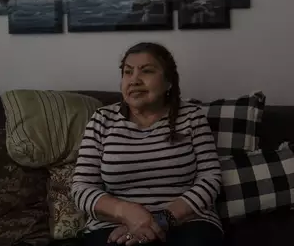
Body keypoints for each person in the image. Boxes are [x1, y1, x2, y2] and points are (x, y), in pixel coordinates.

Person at [72, 42, 223, 246]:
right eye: (128, 72)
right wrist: (126, 213)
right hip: (114, 226)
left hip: (187, 222)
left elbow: (210, 178)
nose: (134, 80)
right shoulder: (101, 119)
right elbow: (81, 187)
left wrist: (160, 220)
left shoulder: (191, 117)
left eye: (147, 71)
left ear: (169, 82)